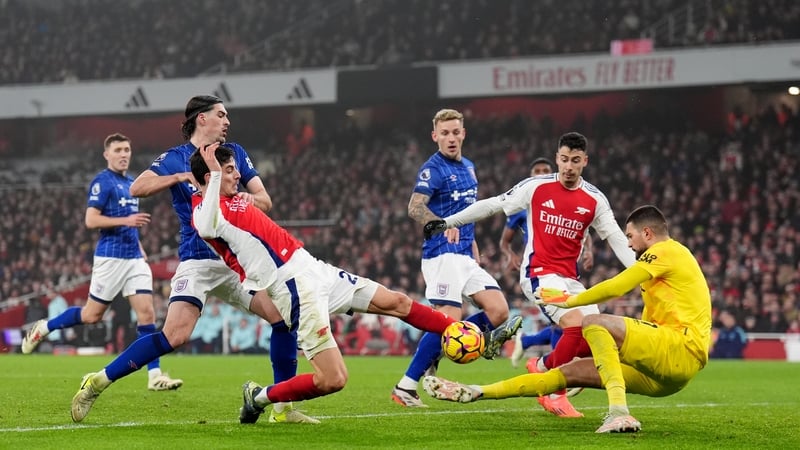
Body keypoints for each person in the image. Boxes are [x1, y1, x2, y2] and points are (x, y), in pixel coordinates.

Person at [189, 144, 520, 422]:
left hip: (313, 268)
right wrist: (216, 173)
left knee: (397, 302)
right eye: (229, 170)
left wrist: (223, 173)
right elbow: (205, 225)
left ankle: (462, 332)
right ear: (210, 176)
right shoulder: (206, 212)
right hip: (292, 287)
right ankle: (259, 397)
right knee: (333, 379)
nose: (237, 175)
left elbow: (258, 199)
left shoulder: (236, 199)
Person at [69, 96, 313, 424]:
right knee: (175, 336)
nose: (227, 121)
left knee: (283, 318)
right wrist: (179, 177)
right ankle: (97, 381)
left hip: (236, 263)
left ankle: (282, 409)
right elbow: (138, 187)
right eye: (221, 115)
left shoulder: (235, 153)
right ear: (201, 119)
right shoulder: (176, 158)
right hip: (197, 260)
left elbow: (265, 200)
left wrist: (247, 198)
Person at [424, 205, 712, 433]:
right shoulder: (662, 272)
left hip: (681, 347)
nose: (628, 244)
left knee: (594, 322)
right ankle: (476, 392)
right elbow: (649, 325)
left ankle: (618, 413)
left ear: (647, 233)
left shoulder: (665, 251)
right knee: (568, 372)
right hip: (665, 375)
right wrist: (477, 390)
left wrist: (570, 301)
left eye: (630, 236)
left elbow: (618, 285)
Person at [422, 132, 636, 417]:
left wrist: (642, 271)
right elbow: (493, 204)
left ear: (585, 161)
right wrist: (448, 222)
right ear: (557, 158)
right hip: (540, 275)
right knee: (574, 324)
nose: (568, 167)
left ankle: (541, 366)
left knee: (597, 336)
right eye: (564, 159)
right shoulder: (536, 187)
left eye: (575, 161)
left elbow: (616, 238)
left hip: (571, 280)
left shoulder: (594, 199)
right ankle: (552, 390)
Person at [21, 133, 182, 391]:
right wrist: (126, 221)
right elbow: (91, 220)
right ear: (107, 154)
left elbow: (131, 223)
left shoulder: (132, 183)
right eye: (118, 150)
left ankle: (155, 376)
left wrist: (139, 246)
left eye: (127, 149)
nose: (123, 154)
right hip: (110, 257)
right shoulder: (102, 182)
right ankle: (46, 326)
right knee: (92, 315)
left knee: (147, 314)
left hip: (134, 258)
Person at [391, 108, 522, 408]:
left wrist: (472, 241)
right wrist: (442, 225)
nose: (450, 138)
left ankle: (446, 345)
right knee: (449, 319)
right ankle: (406, 386)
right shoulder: (433, 169)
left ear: (463, 134)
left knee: (499, 310)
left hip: (464, 254)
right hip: (441, 254)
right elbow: (414, 207)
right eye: (444, 133)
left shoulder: (470, 167)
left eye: (455, 132)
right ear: (434, 136)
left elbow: (466, 211)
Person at [501, 157, 594, 370]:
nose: (541, 173)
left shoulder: (566, 200)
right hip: (540, 269)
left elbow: (583, 228)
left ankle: (531, 346)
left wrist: (588, 249)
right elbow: (505, 241)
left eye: (545, 170)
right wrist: (510, 254)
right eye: (537, 171)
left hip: (566, 269)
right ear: (530, 176)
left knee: (570, 323)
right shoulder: (522, 206)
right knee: (565, 322)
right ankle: (556, 371)